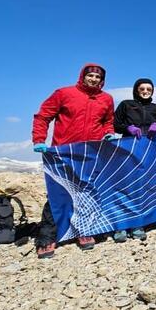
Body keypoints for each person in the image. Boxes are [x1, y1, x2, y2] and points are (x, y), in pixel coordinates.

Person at [31, 63, 115, 258]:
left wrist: (109, 132)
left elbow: (108, 121)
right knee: (58, 192)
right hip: (64, 151)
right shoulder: (64, 93)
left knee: (86, 191)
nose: (93, 79)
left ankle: (84, 230)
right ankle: (47, 237)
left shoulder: (107, 99)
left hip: (90, 152)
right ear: (83, 76)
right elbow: (43, 116)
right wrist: (39, 139)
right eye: (90, 75)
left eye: (98, 77)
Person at [112, 78, 156, 241]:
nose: (146, 91)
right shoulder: (126, 105)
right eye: (142, 89)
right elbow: (115, 124)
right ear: (136, 90)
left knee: (149, 183)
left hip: (150, 149)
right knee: (129, 184)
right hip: (130, 148)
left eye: (149, 89)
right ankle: (123, 224)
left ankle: (145, 220)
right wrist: (128, 128)